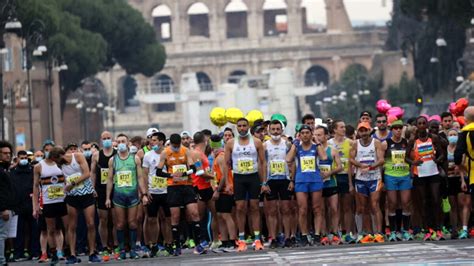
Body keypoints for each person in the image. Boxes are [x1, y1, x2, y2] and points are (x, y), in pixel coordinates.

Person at [155, 133, 207, 256]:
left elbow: (193, 168)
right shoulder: (165, 153)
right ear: (171, 144)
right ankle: (177, 245)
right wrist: (171, 175)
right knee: (175, 217)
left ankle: (198, 244)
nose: (177, 148)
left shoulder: (186, 151)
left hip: (187, 185)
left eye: (178, 146)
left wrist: (184, 173)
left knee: (194, 213)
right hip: (173, 187)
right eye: (175, 146)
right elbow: (158, 172)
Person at [49, 147, 102, 263]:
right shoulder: (60, 165)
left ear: (60, 156)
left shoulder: (77, 156)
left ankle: (92, 252)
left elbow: (87, 173)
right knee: (72, 226)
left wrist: (72, 184)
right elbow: (64, 178)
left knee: (91, 223)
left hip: (86, 193)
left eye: (56, 160)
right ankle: (72, 254)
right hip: (72, 196)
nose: (56, 163)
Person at [224, 118, 268, 251]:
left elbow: (262, 163)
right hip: (239, 178)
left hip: (253, 177)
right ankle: (242, 239)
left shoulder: (256, 142)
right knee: (240, 207)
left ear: (248, 126)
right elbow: (227, 164)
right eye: (240, 126)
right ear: (236, 128)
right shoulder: (231, 143)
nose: (242, 128)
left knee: (254, 207)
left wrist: (264, 182)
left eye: (244, 126)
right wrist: (227, 182)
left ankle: (257, 239)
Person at [105, 133, 148, 260]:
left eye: (123, 141)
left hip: (133, 195)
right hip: (118, 196)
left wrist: (144, 194)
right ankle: (123, 249)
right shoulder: (113, 160)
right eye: (118, 142)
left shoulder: (135, 159)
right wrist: (107, 197)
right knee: (120, 224)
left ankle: (133, 249)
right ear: (116, 144)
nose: (121, 144)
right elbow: (109, 179)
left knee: (133, 223)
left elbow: (140, 177)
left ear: (128, 143)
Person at [286, 124, 327, 246]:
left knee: (317, 208)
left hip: (315, 179)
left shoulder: (315, 146)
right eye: (302, 133)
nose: (305, 135)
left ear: (311, 134)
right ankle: (304, 234)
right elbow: (288, 159)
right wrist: (295, 143)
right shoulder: (297, 147)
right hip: (301, 180)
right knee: (302, 209)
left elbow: (324, 157)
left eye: (307, 133)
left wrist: (317, 142)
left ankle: (317, 235)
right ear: (299, 134)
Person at [406, 116, 444, 241]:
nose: (422, 125)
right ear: (417, 126)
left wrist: (437, 160)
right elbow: (406, 158)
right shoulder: (413, 141)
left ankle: (439, 229)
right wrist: (413, 163)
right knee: (423, 202)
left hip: (433, 172)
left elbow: (442, 154)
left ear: (426, 125)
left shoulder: (433, 138)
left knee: (436, 200)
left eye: (424, 123)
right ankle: (428, 229)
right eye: (419, 123)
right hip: (420, 174)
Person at [32, 143, 68, 264]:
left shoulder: (60, 164)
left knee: (65, 228)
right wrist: (35, 206)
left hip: (62, 200)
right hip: (48, 202)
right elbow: (36, 187)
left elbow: (68, 178)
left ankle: (63, 251)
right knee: (50, 229)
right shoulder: (38, 166)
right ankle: (53, 253)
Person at [349, 121, 385, 243]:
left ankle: (378, 233)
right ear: (358, 132)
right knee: (362, 207)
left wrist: (370, 167)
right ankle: (363, 232)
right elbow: (350, 159)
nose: (364, 133)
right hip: (361, 179)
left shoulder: (376, 143)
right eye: (361, 131)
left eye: (366, 130)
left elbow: (381, 160)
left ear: (370, 131)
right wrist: (360, 165)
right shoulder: (355, 144)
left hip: (374, 178)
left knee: (374, 205)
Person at [381, 120, 413, 241]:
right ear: (392, 130)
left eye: (400, 128)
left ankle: (405, 230)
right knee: (392, 203)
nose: (398, 130)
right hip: (390, 176)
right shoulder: (386, 143)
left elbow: (410, 158)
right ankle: (393, 231)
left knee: (406, 203)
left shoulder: (407, 143)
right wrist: (382, 179)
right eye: (396, 128)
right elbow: (381, 161)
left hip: (404, 175)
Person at [142, 132, 172, 256]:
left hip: (167, 191)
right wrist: (145, 191)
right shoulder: (148, 155)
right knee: (152, 219)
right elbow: (144, 174)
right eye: (151, 140)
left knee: (167, 219)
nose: (151, 142)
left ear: (161, 142)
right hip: (153, 192)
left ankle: (169, 244)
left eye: (154, 140)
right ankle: (153, 245)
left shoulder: (169, 154)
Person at [264, 120, 293, 248]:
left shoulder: (287, 145)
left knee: (286, 209)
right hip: (271, 180)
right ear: (269, 131)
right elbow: (262, 164)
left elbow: (292, 163)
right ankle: (273, 238)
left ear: (282, 130)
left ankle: (287, 237)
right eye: (273, 129)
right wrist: (263, 183)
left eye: (278, 129)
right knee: (271, 211)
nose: (275, 131)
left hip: (285, 179)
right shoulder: (264, 145)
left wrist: (292, 180)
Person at [90, 131, 117, 260]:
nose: (106, 140)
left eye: (108, 138)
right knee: (103, 220)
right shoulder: (96, 155)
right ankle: (105, 247)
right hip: (101, 190)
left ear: (112, 140)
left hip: (116, 189)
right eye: (104, 138)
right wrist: (92, 187)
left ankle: (116, 246)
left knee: (116, 220)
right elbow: (93, 173)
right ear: (101, 140)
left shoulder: (117, 153)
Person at [328, 120, 356, 243]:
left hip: (345, 176)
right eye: (341, 127)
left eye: (344, 127)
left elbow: (351, 164)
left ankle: (347, 232)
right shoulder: (329, 143)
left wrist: (350, 183)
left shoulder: (350, 143)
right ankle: (335, 231)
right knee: (334, 207)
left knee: (347, 207)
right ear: (334, 130)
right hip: (333, 176)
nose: (344, 129)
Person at [191, 132, 219, 249]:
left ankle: (216, 240)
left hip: (207, 187)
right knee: (199, 216)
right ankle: (200, 241)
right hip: (199, 187)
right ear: (204, 140)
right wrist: (214, 176)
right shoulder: (196, 154)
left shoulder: (202, 153)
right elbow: (200, 172)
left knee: (215, 214)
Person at [316, 126, 343, 245]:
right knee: (320, 210)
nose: (317, 137)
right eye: (315, 135)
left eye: (319, 135)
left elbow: (340, 166)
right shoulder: (313, 150)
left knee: (334, 208)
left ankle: (335, 232)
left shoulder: (332, 150)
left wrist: (330, 172)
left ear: (326, 136)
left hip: (331, 182)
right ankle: (323, 234)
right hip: (319, 184)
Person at [210, 134, 237, 252]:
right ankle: (224, 241)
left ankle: (232, 241)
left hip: (225, 190)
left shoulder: (221, 157)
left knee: (226, 215)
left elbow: (224, 176)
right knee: (220, 216)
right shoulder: (218, 157)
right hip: (220, 190)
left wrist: (218, 190)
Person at [9, 150, 34, 261]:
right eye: (21, 158)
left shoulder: (32, 170)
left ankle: (34, 252)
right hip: (18, 205)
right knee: (18, 231)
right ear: (17, 159)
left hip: (31, 204)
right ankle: (18, 253)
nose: (23, 160)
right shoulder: (12, 172)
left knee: (33, 230)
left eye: (25, 158)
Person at [0, 141, 16, 265]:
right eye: (5, 153)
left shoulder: (5, 169)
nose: (8, 155)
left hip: (8, 207)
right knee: (1, 236)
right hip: (3, 209)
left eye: (9, 153)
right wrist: (3, 208)